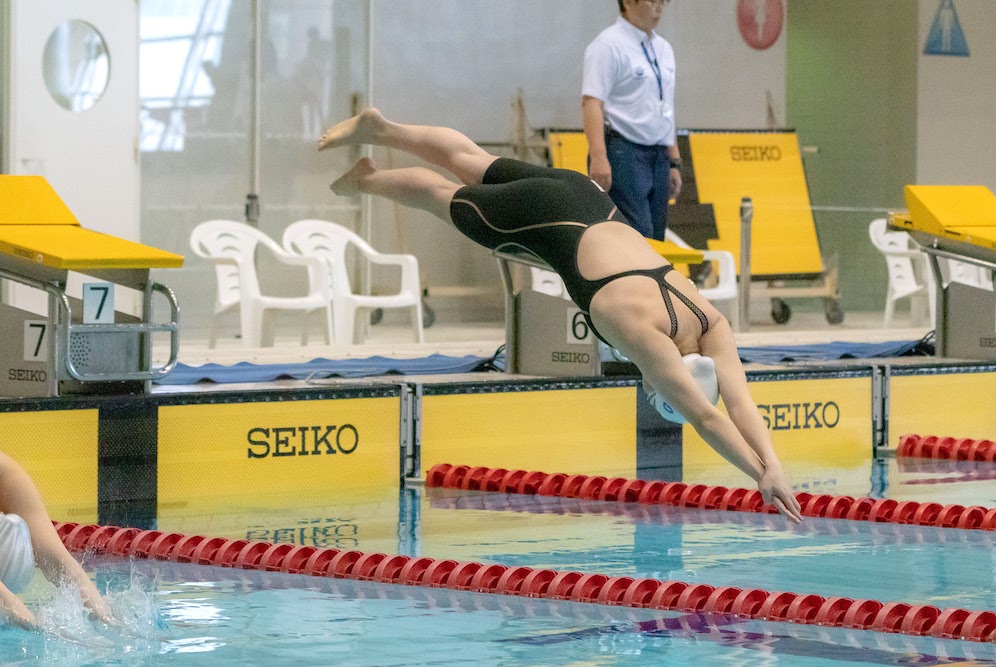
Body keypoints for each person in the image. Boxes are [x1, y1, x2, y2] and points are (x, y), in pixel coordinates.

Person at [318, 109, 802, 524]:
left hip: (584, 196)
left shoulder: (710, 320)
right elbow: (705, 414)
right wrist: (761, 475)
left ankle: (383, 128)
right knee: (442, 198)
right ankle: (365, 179)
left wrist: (774, 463)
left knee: (472, 162)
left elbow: (739, 404)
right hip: (545, 222)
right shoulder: (644, 336)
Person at [582, 0, 682, 241]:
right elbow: (592, 102)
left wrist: (674, 160)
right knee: (637, 235)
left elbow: (665, 106)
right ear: (627, 2)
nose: (658, 8)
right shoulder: (607, 45)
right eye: (652, 1)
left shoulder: (664, 48)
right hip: (624, 152)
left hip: (658, 154)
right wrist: (599, 157)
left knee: (656, 238)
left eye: (663, 2)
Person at [0, 451, 114, 629]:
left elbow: (58, 561)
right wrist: (33, 626)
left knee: (15, 531)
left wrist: (108, 620)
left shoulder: (7, 474)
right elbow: (10, 604)